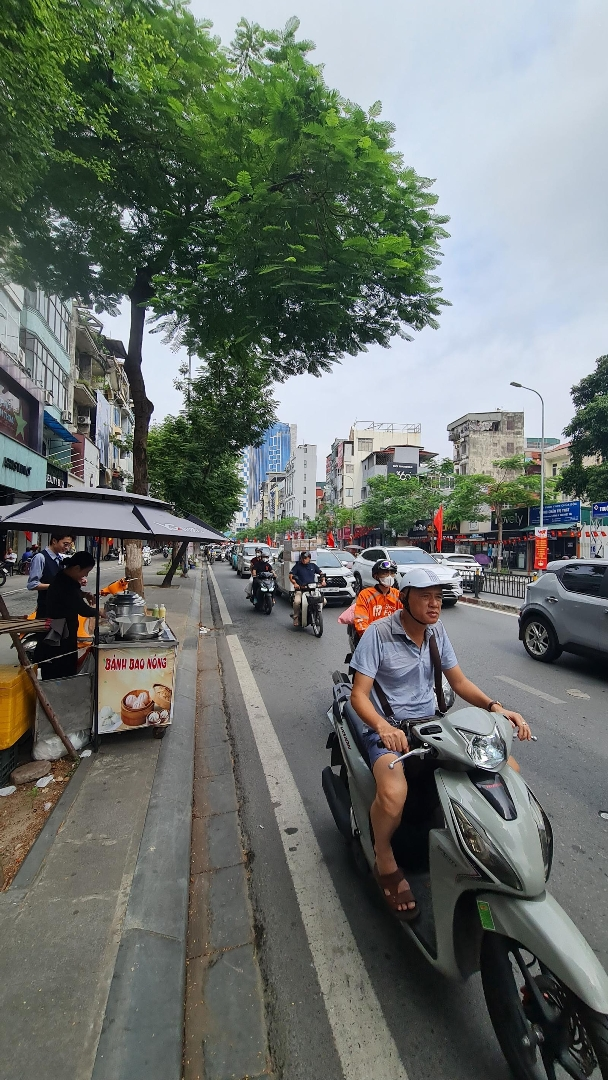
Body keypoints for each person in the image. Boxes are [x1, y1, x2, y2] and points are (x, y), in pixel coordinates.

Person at [350, 566, 531, 920]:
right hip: (388, 729)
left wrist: (496, 707)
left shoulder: (436, 632)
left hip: (433, 725)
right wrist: (383, 726)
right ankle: (384, 855)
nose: (435, 604)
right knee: (393, 793)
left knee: (505, 769)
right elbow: (359, 695)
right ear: (405, 599)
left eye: (438, 597)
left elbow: (459, 682)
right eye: (425, 597)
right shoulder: (378, 634)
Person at [36, 551, 97, 680]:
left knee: (65, 665)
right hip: (59, 635)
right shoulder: (64, 583)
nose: (86, 575)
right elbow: (83, 609)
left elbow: (73, 596)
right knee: (60, 669)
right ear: (76, 568)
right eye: (86, 572)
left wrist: (84, 594)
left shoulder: (65, 578)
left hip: (65, 631)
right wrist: (100, 612)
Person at [27, 532, 75, 618]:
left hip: (61, 610)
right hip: (46, 610)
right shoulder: (40, 557)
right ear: (54, 541)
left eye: (69, 545)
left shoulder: (61, 558)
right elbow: (32, 584)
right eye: (65, 544)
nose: (67, 548)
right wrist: (55, 586)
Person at [353, 559, 402, 639]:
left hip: (393, 638)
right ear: (376, 576)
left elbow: (406, 618)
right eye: (385, 573)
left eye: (392, 573)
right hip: (372, 636)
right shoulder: (366, 594)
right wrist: (369, 636)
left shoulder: (398, 594)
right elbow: (360, 619)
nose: (389, 576)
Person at [289, 551, 326, 627]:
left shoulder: (313, 566)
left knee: (324, 601)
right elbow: (291, 575)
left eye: (305, 558)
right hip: (301, 589)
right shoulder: (297, 566)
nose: (304, 560)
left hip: (312, 589)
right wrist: (295, 584)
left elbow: (321, 573)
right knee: (297, 602)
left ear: (309, 558)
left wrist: (323, 581)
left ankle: (317, 615)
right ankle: (296, 617)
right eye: (302, 558)